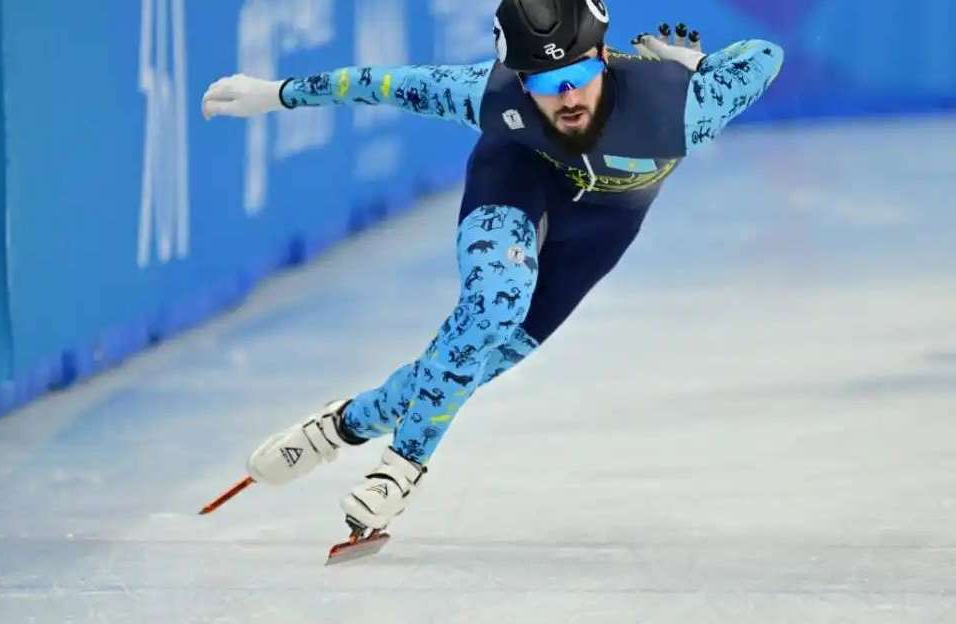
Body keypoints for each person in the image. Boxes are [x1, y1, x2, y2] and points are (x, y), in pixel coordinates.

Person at [201, 0, 783, 538]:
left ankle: (343, 424)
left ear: (604, 56)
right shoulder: (491, 95)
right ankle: (400, 468)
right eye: (547, 86)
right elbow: (383, 85)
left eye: (578, 76)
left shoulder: (682, 106)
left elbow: (765, 55)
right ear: (520, 80)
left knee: (482, 362)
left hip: (601, 227)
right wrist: (276, 93)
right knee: (491, 307)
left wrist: (703, 66)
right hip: (516, 175)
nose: (568, 98)